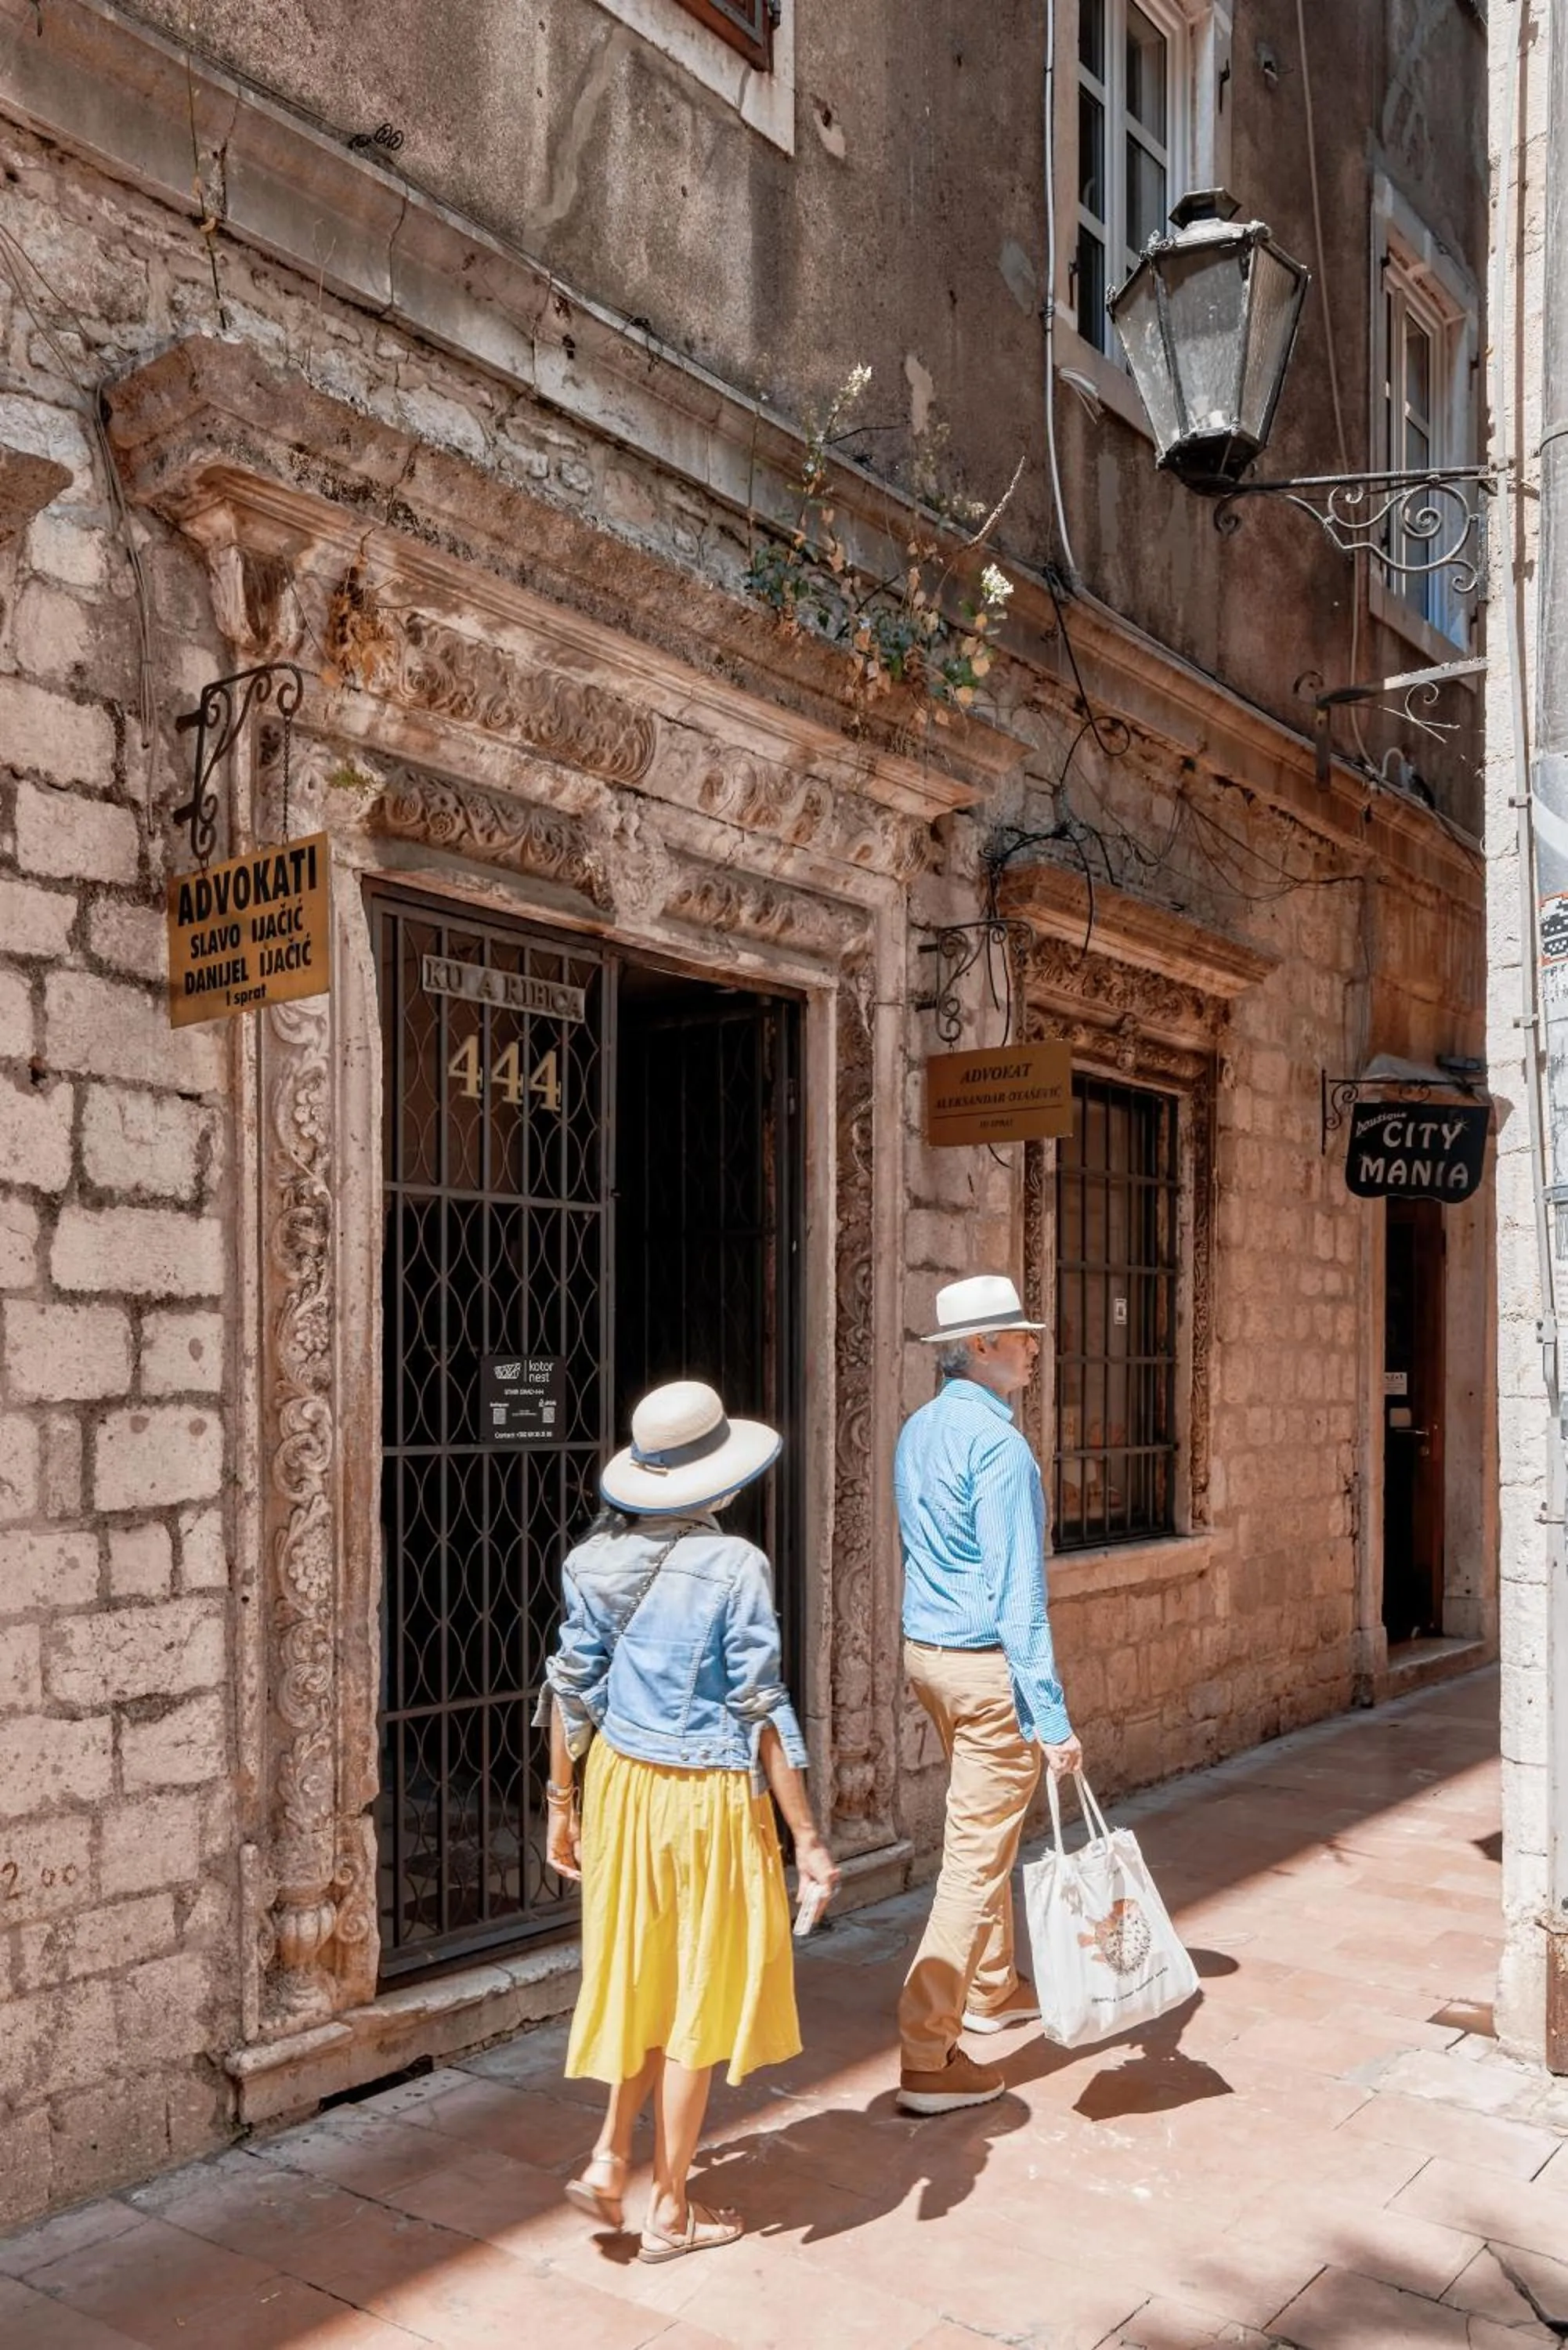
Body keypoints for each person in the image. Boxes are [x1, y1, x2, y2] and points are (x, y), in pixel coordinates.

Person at [539, 1378, 838, 2261]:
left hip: (620, 1788)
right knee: (696, 1996)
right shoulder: (736, 1565)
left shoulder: (591, 1562)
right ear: (721, 1482)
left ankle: (606, 2156)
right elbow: (759, 1707)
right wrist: (809, 1840)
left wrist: (560, 1804)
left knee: (639, 1972)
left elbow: (567, 1690)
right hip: (705, 1798)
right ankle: (668, 2209)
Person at [894, 1273, 1082, 2116]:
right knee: (974, 1858)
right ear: (979, 1348)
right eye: (1018, 1336)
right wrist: (1052, 1721)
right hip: (981, 1668)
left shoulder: (918, 1430)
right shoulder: (1002, 1450)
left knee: (983, 1827)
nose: (1033, 1347)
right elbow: (1019, 1598)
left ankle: (994, 1988)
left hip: (926, 1655)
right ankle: (927, 2053)